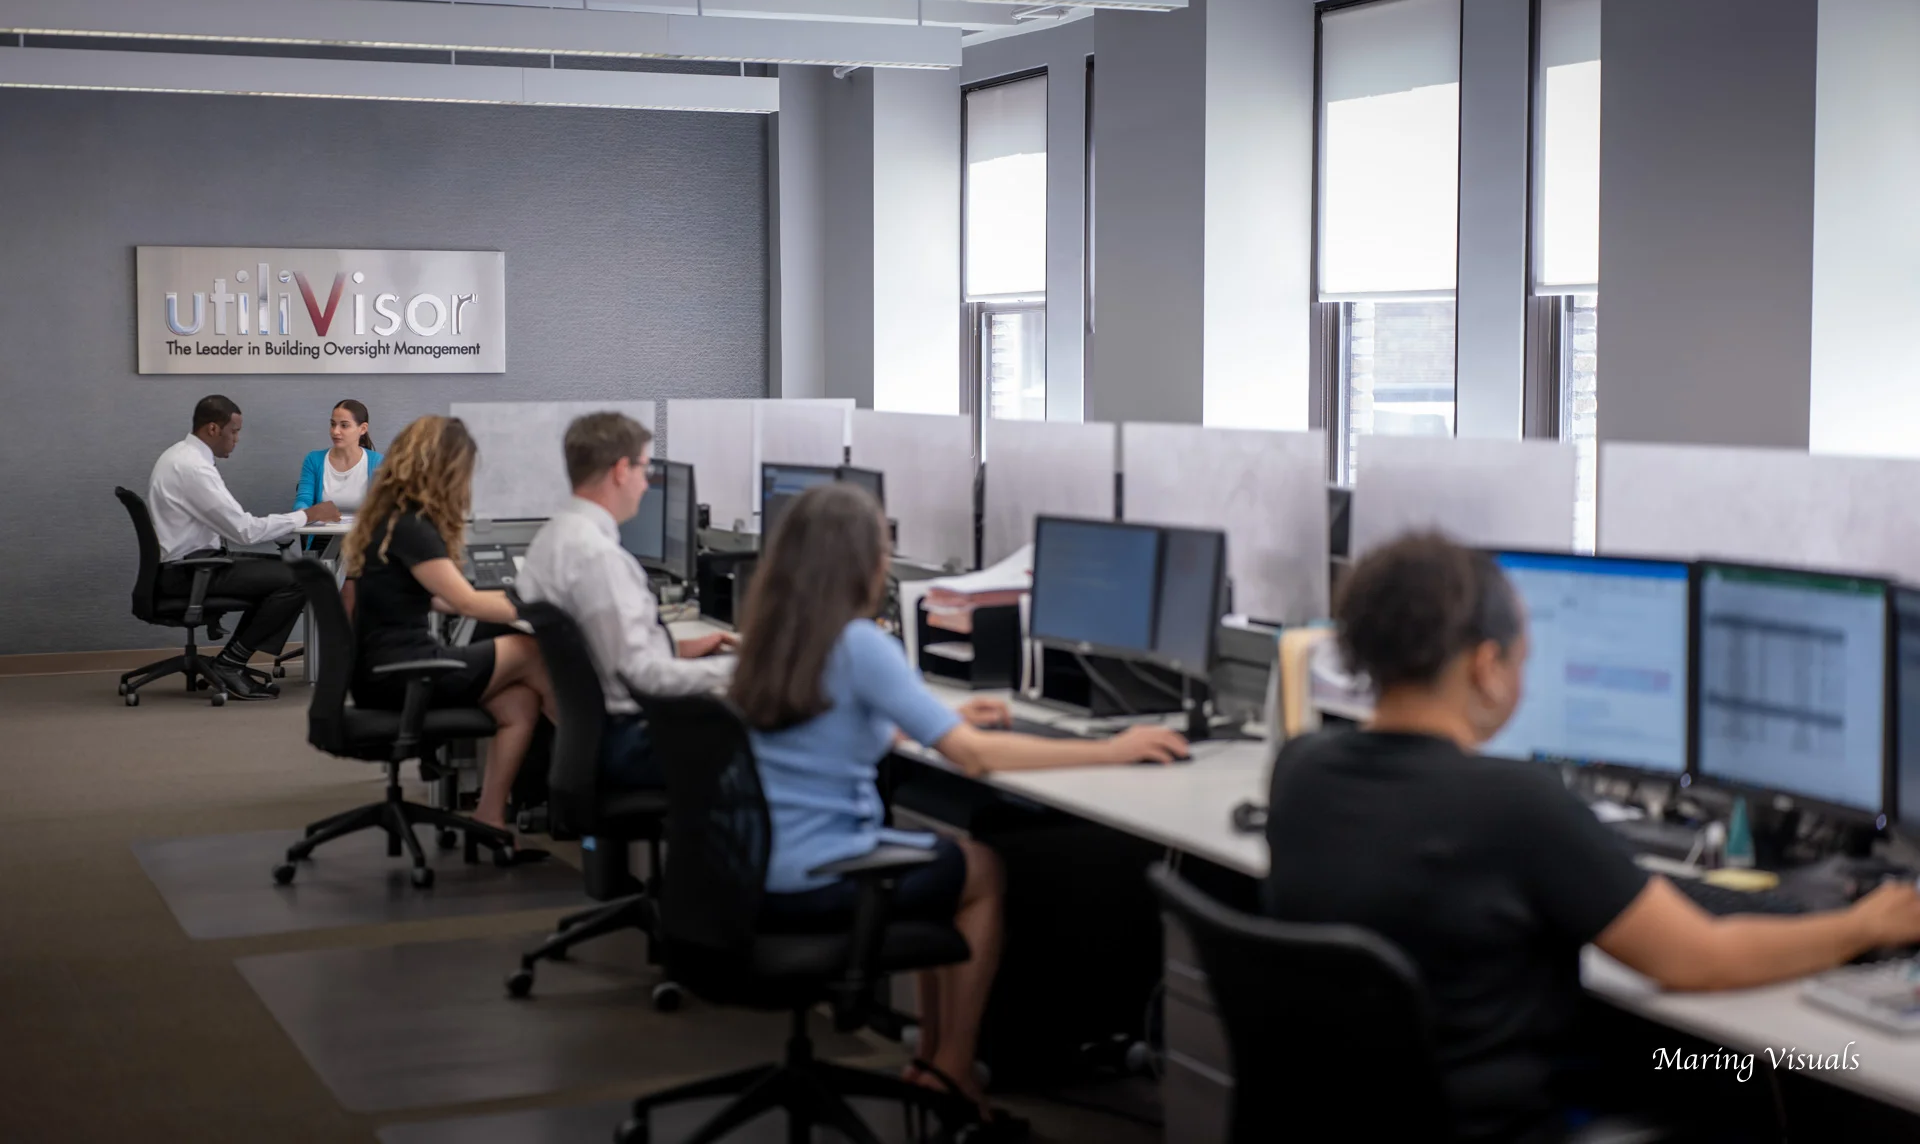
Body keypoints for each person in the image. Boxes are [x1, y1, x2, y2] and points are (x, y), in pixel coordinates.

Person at [1263, 532, 1920, 1144]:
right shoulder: (1518, 805)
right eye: (1523, 656)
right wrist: (1861, 925)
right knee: (1738, 1088)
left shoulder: (1300, 769)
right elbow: (1700, 958)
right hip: (1505, 1127)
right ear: (1487, 667)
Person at [729, 483, 1189, 1129]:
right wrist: (1112, 750)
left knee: (941, 856)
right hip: (823, 875)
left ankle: (932, 1059)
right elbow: (972, 758)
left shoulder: (772, 636)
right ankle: (953, 1067)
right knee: (981, 870)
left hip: (758, 868)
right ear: (860, 561)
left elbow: (830, 725)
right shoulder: (859, 642)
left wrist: (937, 716)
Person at [344, 414, 555, 836]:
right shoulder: (411, 526)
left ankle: (489, 817)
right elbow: (465, 601)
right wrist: (544, 609)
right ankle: (598, 774)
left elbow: (438, 597)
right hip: (402, 672)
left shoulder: (391, 518)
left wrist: (515, 603)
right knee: (532, 652)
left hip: (379, 671)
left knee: (519, 704)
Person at [514, 412, 736, 788]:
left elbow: (600, 650)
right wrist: (742, 670)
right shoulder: (599, 559)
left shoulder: (550, 540)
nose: (646, 484)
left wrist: (675, 648)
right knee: (768, 744)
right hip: (631, 742)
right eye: (644, 469)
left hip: (592, 741)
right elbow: (643, 677)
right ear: (620, 470)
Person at [147, 394, 342, 700]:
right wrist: (308, 514)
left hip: (190, 564)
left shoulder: (180, 456)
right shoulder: (193, 468)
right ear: (213, 429)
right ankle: (230, 663)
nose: (236, 439)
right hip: (189, 572)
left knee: (291, 570)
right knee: (303, 577)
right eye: (234, 431)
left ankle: (232, 661)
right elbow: (245, 531)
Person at [295, 399, 383, 515]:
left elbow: (385, 507)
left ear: (363, 429)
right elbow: (303, 501)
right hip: (322, 527)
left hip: (364, 527)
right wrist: (302, 514)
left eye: (344, 425)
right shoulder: (314, 460)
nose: (335, 431)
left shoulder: (378, 462)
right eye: (333, 424)